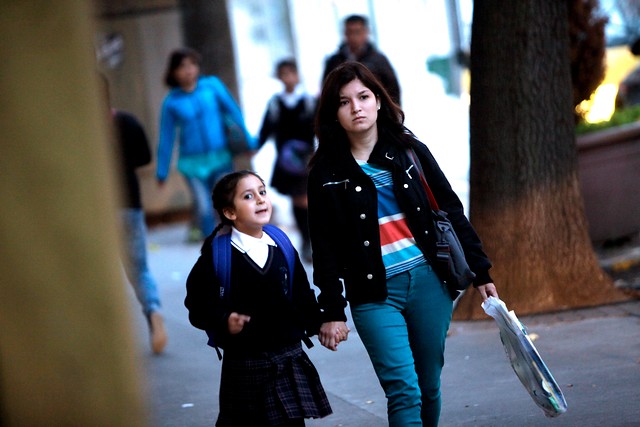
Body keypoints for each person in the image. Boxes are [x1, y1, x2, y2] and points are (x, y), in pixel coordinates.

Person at [308, 62, 499, 426]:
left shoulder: (409, 151)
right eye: (344, 102)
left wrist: (481, 270)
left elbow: (450, 210)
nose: (357, 108)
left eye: (363, 97)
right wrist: (332, 309)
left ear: (379, 100)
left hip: (429, 282)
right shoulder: (325, 173)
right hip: (374, 296)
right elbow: (325, 246)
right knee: (403, 390)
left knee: (428, 387)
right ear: (334, 113)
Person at [184, 170, 333, 426]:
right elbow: (197, 304)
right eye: (249, 196)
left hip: (288, 356)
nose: (261, 200)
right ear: (230, 212)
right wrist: (223, 320)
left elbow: (301, 293)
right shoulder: (217, 257)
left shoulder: (281, 244)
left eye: (262, 192)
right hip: (245, 362)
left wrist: (321, 323)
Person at [156, 47, 253, 242]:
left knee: (227, 202)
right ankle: (212, 246)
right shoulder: (171, 102)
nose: (189, 69)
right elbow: (166, 137)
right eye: (182, 66)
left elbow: (234, 112)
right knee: (203, 206)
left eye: (192, 64)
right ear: (173, 72)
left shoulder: (212, 86)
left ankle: (236, 243)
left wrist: (248, 142)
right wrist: (162, 171)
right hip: (192, 164)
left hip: (220, 157)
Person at [113, 107, 168, 355]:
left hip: (96, 208)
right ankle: (153, 309)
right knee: (139, 269)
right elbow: (144, 158)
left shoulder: (79, 129)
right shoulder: (127, 121)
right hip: (129, 205)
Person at [257, 59, 317, 261]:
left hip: (306, 159)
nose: (288, 77)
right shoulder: (275, 104)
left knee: (305, 199)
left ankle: (311, 239)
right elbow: (266, 130)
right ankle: (306, 239)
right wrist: (254, 147)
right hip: (286, 162)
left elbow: (320, 128)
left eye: (292, 72)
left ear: (298, 75)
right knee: (297, 198)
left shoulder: (309, 102)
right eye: (284, 73)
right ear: (279, 77)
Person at [322, 14, 401, 105]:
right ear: (345, 33)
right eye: (349, 32)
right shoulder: (335, 61)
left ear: (366, 32)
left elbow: (393, 90)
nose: (353, 37)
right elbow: (326, 91)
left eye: (357, 32)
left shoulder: (378, 60)